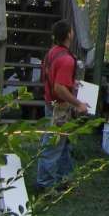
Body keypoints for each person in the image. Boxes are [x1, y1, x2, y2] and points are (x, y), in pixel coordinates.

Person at [36, 20, 88, 193]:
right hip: (59, 109)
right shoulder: (67, 59)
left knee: (64, 145)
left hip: (50, 104)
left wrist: (72, 82)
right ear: (68, 35)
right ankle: (45, 185)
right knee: (52, 146)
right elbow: (59, 87)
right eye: (72, 30)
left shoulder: (53, 52)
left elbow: (53, 77)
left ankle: (63, 179)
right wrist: (78, 103)